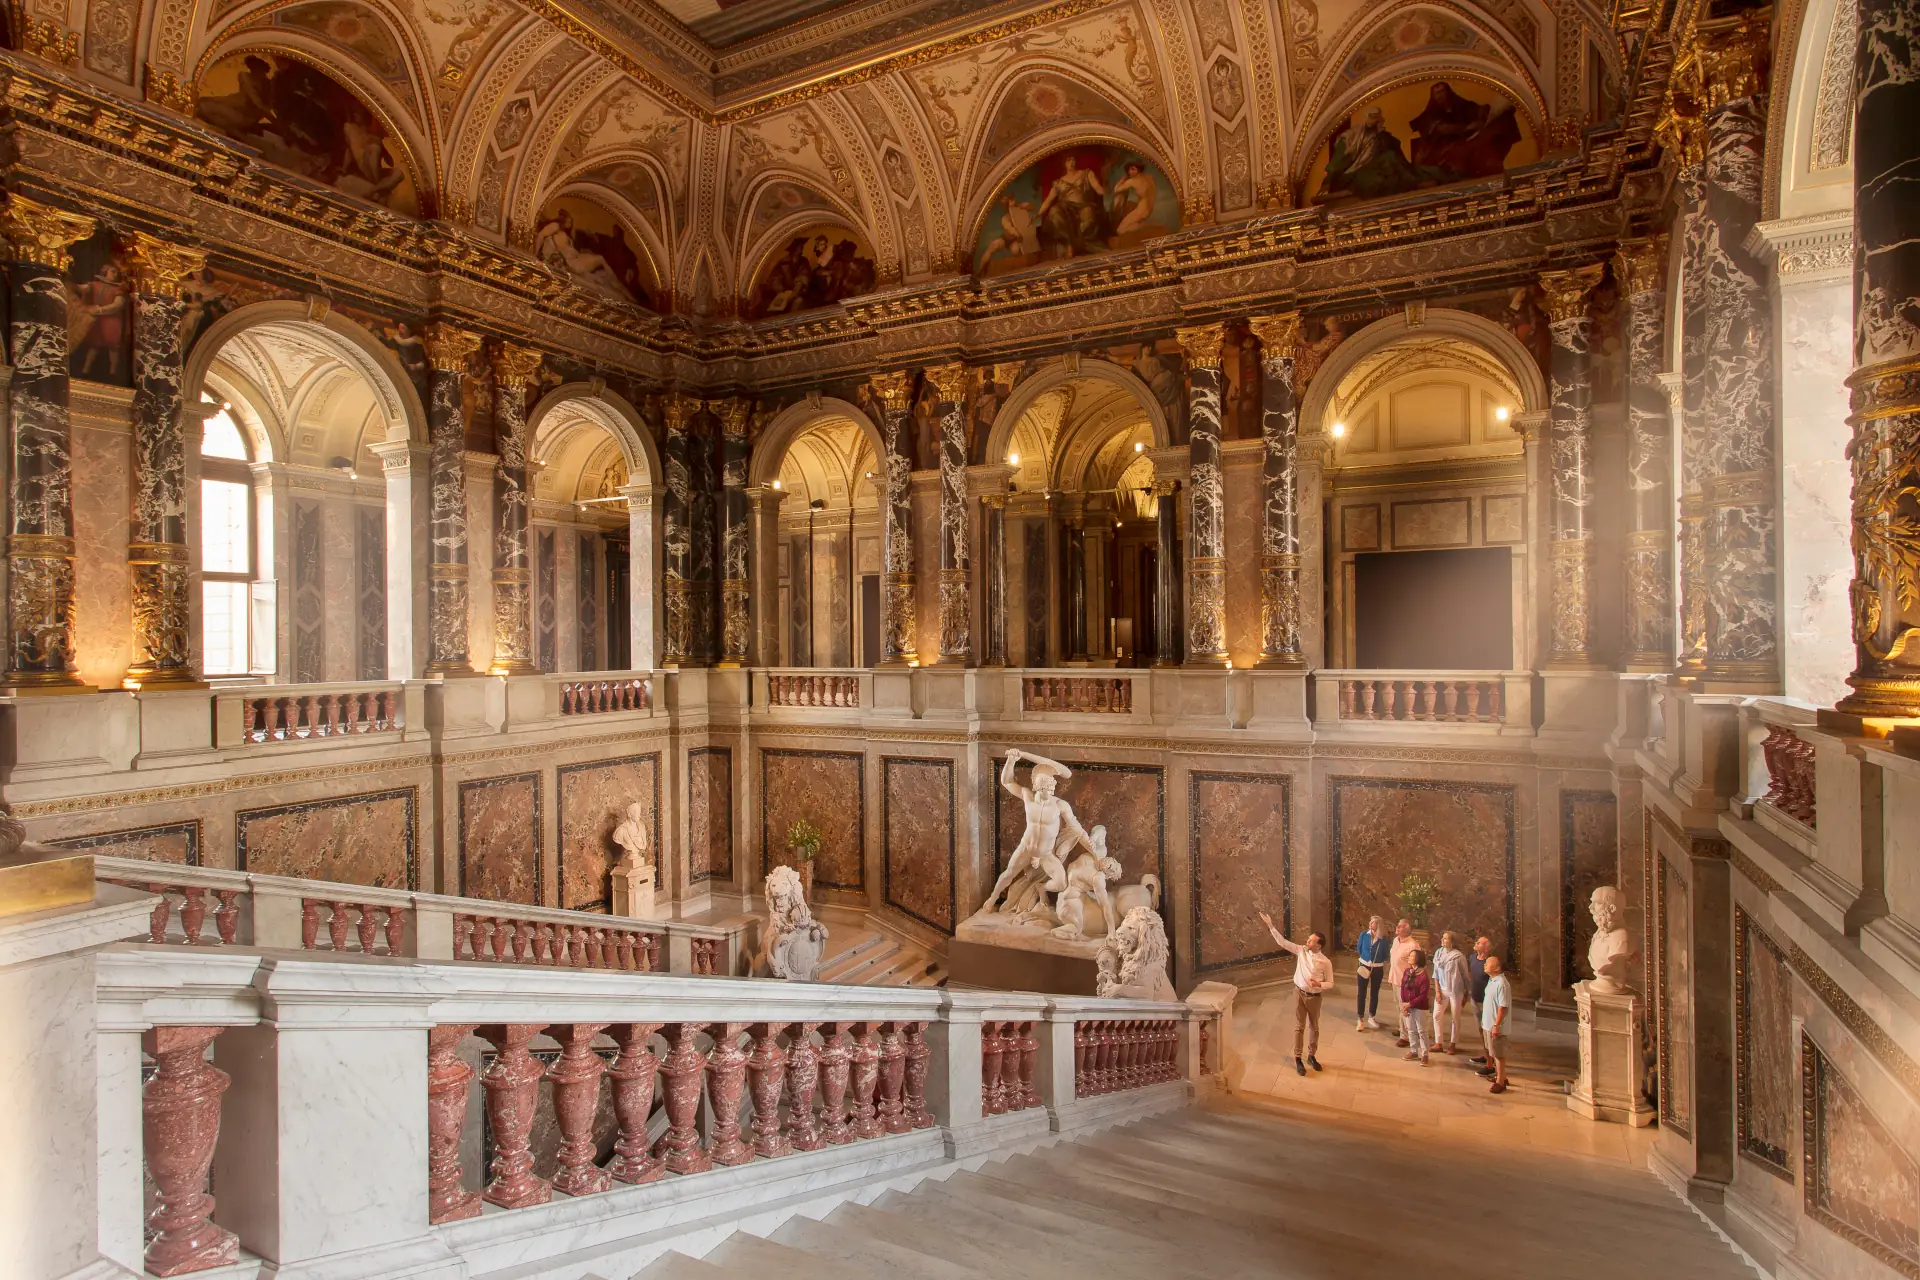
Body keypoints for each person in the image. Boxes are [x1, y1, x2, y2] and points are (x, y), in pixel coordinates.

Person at [1259, 909, 1332, 1077]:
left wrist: (1319, 984)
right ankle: (1298, 1058)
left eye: (1311, 940)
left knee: (1314, 1027)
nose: (1307, 941)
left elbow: (1331, 983)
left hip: (1314, 997)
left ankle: (1312, 1056)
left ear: (1319, 945)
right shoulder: (1301, 950)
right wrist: (1270, 925)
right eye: (1308, 939)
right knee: (1299, 1027)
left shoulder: (1325, 962)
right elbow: (1282, 942)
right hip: (1299, 993)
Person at [1429, 931, 1471, 1054]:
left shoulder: (1458, 957)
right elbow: (1435, 973)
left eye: (1446, 938)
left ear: (1452, 941)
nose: (1442, 940)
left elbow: (1465, 976)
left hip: (1456, 990)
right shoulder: (1438, 953)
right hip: (1442, 989)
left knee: (1455, 1017)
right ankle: (1439, 1042)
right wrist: (1437, 990)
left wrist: (1467, 993)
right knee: (1436, 1015)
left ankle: (1453, 1043)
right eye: (1442, 937)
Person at [1481, 954, 1512, 1093]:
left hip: (1496, 1026)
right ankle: (1502, 1076)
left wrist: (1496, 1025)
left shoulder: (1502, 984)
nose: (1485, 964)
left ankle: (1500, 1082)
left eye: (1488, 962)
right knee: (1493, 1052)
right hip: (1489, 1024)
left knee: (1499, 1054)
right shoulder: (1492, 980)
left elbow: (1503, 1007)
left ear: (1497, 967)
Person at [1386, 919, 1419, 1047]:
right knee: (1398, 1007)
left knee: (1405, 1008)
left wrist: (1412, 982)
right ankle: (1402, 1028)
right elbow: (1394, 960)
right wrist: (1390, 977)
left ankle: (1406, 1037)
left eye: (1399, 926)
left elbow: (1417, 966)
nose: (1397, 928)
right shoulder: (1396, 940)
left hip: (1405, 983)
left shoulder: (1413, 945)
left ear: (1405, 930)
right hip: (1394, 979)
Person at [1354, 915, 1389, 1030]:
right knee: (1361, 992)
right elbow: (1359, 948)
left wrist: (1376, 961)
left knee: (1374, 993)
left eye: (1373, 922)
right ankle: (1360, 1019)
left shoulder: (1384, 939)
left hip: (1377, 968)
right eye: (1370, 921)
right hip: (1363, 966)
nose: (1370, 923)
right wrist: (1366, 959)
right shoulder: (1364, 935)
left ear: (1378, 925)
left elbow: (1385, 955)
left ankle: (1371, 1017)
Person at [1399, 949, 1433, 1065]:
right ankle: (1413, 1051)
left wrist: (1410, 1004)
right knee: (1411, 1029)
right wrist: (1404, 1005)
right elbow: (1403, 988)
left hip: (1420, 1007)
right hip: (1407, 1006)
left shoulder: (1423, 976)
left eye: (1412, 956)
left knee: (1422, 1031)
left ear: (1418, 959)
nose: (1409, 957)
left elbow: (1423, 995)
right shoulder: (1407, 971)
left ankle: (1425, 1054)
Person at [1467, 935, 1494, 1065]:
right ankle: (1487, 1055)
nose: (1476, 943)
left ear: (1486, 949)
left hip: (1486, 1002)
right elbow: (1471, 975)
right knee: (1480, 1029)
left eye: (1479, 943)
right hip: (1475, 998)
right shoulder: (1472, 957)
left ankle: (1491, 1060)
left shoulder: (1490, 963)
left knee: (1488, 1031)